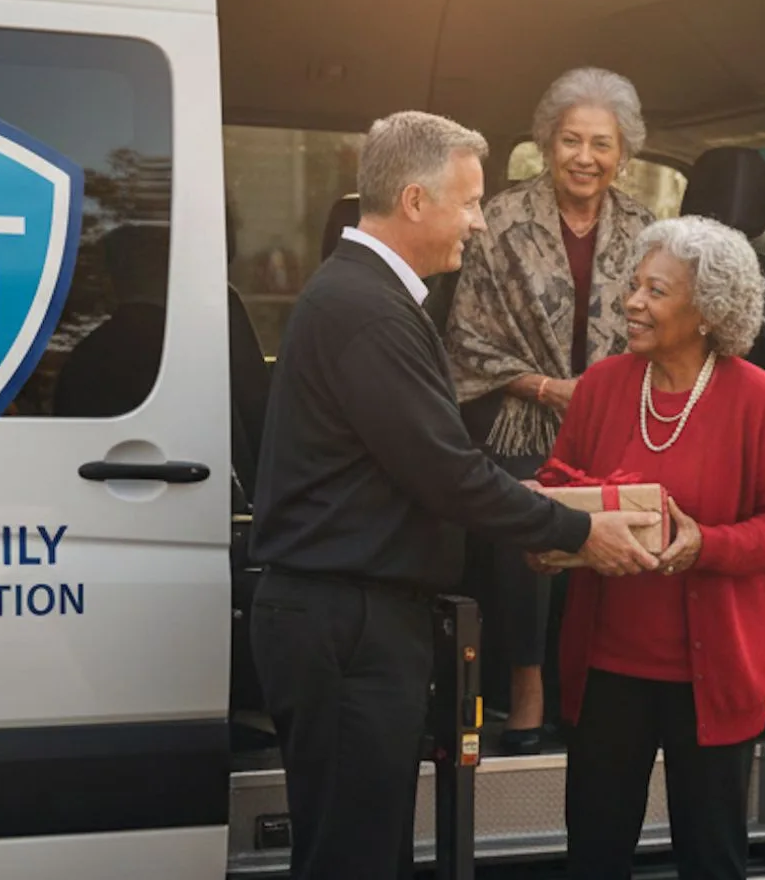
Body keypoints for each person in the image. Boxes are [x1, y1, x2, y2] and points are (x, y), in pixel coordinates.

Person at [246, 111, 662, 880]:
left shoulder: (366, 299)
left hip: (353, 615)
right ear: (414, 201)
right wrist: (576, 530)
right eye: (468, 201)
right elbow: (448, 472)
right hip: (350, 623)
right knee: (353, 861)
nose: (479, 219)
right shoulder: (366, 310)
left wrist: (543, 508)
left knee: (363, 850)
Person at [532, 215, 765, 880]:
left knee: (711, 857)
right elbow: (553, 489)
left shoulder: (759, 400)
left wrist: (706, 546)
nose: (632, 302)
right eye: (633, 286)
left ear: (708, 311)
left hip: (712, 676)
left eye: (655, 292)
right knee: (594, 855)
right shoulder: (601, 386)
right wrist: (549, 539)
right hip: (607, 671)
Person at [445, 66, 656, 752]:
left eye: (601, 143)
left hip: (619, 417)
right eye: (571, 140)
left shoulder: (648, 230)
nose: (585, 157)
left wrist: (605, 394)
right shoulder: (500, 218)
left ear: (623, 152)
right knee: (530, 515)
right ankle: (529, 690)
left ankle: (600, 688)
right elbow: (466, 338)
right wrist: (545, 387)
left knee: (626, 523)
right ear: (547, 143)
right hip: (521, 415)